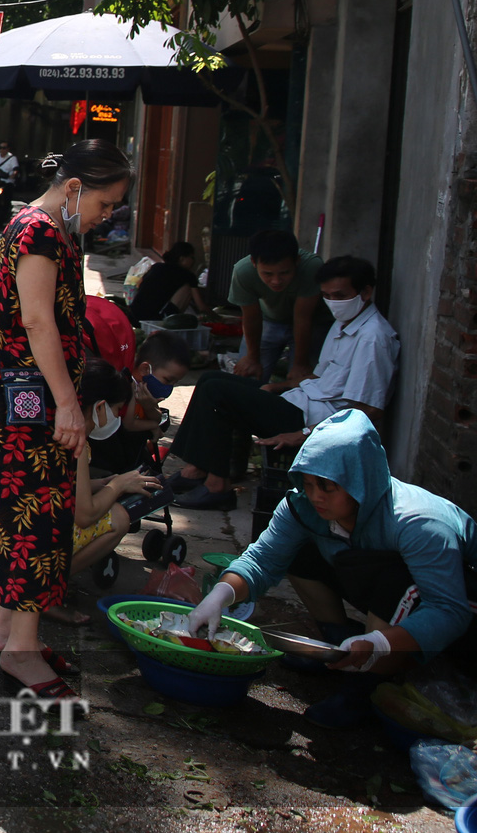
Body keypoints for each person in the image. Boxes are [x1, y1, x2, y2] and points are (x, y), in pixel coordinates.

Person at [189, 410, 476, 727]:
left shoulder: (419, 523)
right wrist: (220, 595)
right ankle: (336, 651)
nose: (315, 496)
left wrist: (379, 644)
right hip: (396, 595)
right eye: (308, 483)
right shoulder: (302, 507)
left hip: (460, 610)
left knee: (392, 579)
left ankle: (365, 686)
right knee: (299, 553)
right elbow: (263, 558)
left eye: (327, 487)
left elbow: (450, 610)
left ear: (360, 480)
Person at [0, 138, 134, 699]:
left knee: (36, 513)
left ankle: (9, 632)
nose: (107, 214)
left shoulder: (54, 230)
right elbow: (39, 323)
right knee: (33, 518)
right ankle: (21, 648)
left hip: (31, 393)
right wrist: (69, 403)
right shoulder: (40, 231)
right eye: (105, 203)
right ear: (74, 188)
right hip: (28, 397)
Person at [169, 255, 399, 510]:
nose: (333, 303)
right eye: (327, 296)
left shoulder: (373, 338)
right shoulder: (344, 323)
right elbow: (320, 377)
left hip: (313, 420)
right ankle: (196, 468)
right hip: (301, 400)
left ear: (365, 292)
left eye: (340, 295)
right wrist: (277, 387)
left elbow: (368, 410)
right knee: (211, 378)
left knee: (217, 392)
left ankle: (217, 485)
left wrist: (302, 434)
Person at [0, 359, 169, 622]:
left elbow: (58, 486)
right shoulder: (76, 439)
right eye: (117, 410)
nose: (118, 418)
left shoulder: (39, 421)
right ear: (99, 408)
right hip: (7, 569)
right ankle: (41, 596)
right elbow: (85, 515)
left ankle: (36, 592)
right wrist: (118, 486)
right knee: (119, 518)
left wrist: (108, 482)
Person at [228, 229, 328, 384]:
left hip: (311, 325)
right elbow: (251, 317)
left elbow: (303, 318)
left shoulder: (312, 267)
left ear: (297, 261)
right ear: (254, 263)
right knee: (247, 377)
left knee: (305, 381)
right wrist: (252, 358)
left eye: (284, 273)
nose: (276, 281)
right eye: (268, 274)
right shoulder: (243, 272)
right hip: (269, 321)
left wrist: (300, 364)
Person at [127, 242, 211, 323]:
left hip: (133, 315)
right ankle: (170, 322)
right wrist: (218, 318)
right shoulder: (188, 276)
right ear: (182, 259)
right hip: (153, 321)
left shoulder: (156, 267)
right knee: (187, 288)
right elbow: (201, 307)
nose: (194, 261)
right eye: (192, 257)